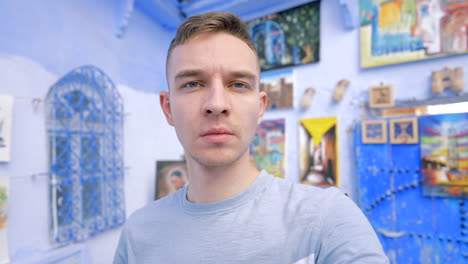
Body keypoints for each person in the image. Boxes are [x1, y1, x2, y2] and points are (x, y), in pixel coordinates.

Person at [114, 12, 389, 264]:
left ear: (260, 107)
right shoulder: (138, 233)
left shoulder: (327, 219)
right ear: (167, 108)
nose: (217, 103)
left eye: (238, 84)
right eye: (193, 83)